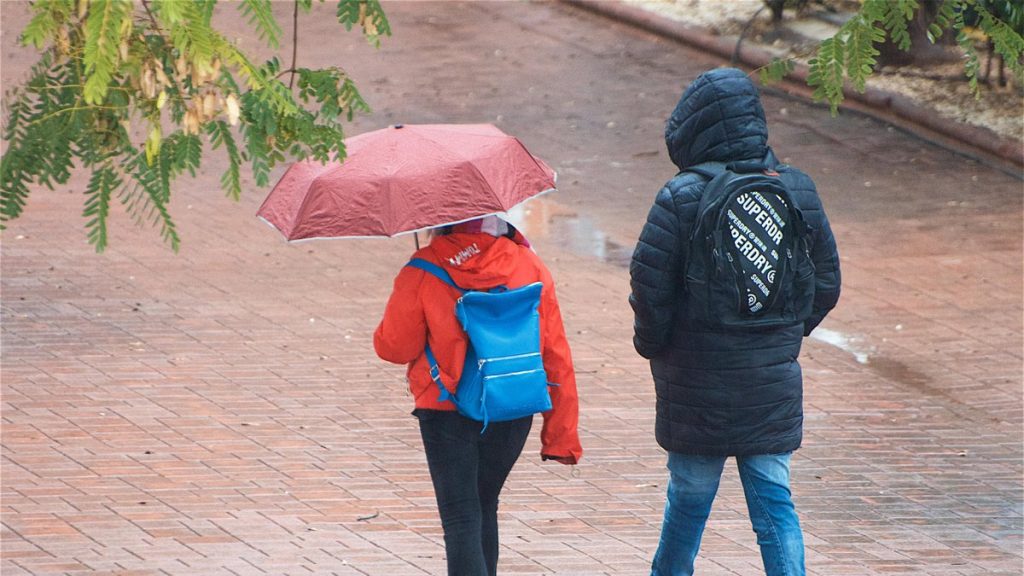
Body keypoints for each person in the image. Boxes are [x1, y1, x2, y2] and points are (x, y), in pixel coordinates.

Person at [629, 67, 841, 576]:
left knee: (688, 502)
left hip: (694, 384)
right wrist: (782, 335)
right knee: (775, 506)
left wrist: (656, 345)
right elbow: (826, 283)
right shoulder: (795, 188)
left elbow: (650, 288)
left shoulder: (680, 196)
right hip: (770, 385)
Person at [374, 215, 582, 576]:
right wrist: (561, 435)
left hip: (445, 405)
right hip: (513, 401)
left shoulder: (424, 267)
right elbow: (555, 352)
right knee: (485, 503)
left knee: (460, 515)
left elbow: (395, 347)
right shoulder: (528, 264)